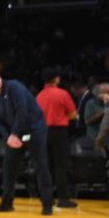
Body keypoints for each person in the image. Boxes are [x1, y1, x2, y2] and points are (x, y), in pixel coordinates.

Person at [0, 73, 54, 214]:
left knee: (40, 165)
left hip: (34, 129)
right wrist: (8, 137)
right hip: (14, 134)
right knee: (8, 166)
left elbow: (22, 111)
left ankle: (47, 203)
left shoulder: (14, 86)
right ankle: (7, 202)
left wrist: (14, 133)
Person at [36, 68, 78, 208]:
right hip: (59, 132)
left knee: (46, 165)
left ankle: (46, 197)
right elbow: (73, 114)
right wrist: (61, 117)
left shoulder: (40, 95)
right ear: (56, 79)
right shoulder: (62, 94)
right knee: (61, 165)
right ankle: (63, 198)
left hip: (43, 132)